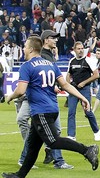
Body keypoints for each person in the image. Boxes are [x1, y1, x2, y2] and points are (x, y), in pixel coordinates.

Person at [2, 36, 100, 178]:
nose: (23, 49)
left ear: (31, 49)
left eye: (25, 46)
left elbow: (21, 90)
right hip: (51, 108)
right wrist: (82, 97)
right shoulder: (50, 64)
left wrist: (10, 96)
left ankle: (87, 150)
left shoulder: (27, 67)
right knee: (33, 146)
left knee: (53, 141)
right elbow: (65, 85)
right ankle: (19, 177)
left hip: (41, 111)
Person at [16, 30, 72, 169]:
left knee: (42, 131)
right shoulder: (42, 57)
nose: (56, 40)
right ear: (46, 40)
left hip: (46, 99)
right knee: (53, 131)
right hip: (40, 100)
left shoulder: (50, 56)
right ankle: (59, 159)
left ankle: (28, 160)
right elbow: (39, 78)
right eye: (53, 38)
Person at [65, 42, 100, 142]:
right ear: (74, 50)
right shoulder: (72, 61)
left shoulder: (88, 60)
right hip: (74, 89)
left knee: (87, 111)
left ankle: (96, 130)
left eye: (82, 48)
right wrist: (67, 86)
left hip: (85, 89)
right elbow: (68, 75)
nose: (81, 50)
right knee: (71, 112)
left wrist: (84, 82)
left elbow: (96, 75)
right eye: (78, 48)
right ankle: (71, 135)